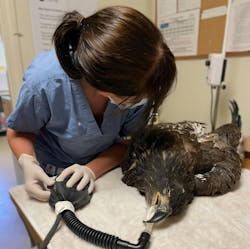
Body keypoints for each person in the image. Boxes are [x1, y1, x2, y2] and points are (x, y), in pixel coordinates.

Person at [7, 6, 177, 201]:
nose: (140, 102)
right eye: (136, 98)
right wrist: (28, 163)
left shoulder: (139, 84)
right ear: (104, 90)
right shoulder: (44, 82)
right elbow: (19, 131)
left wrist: (91, 170)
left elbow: (128, 142)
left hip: (105, 173)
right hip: (51, 176)